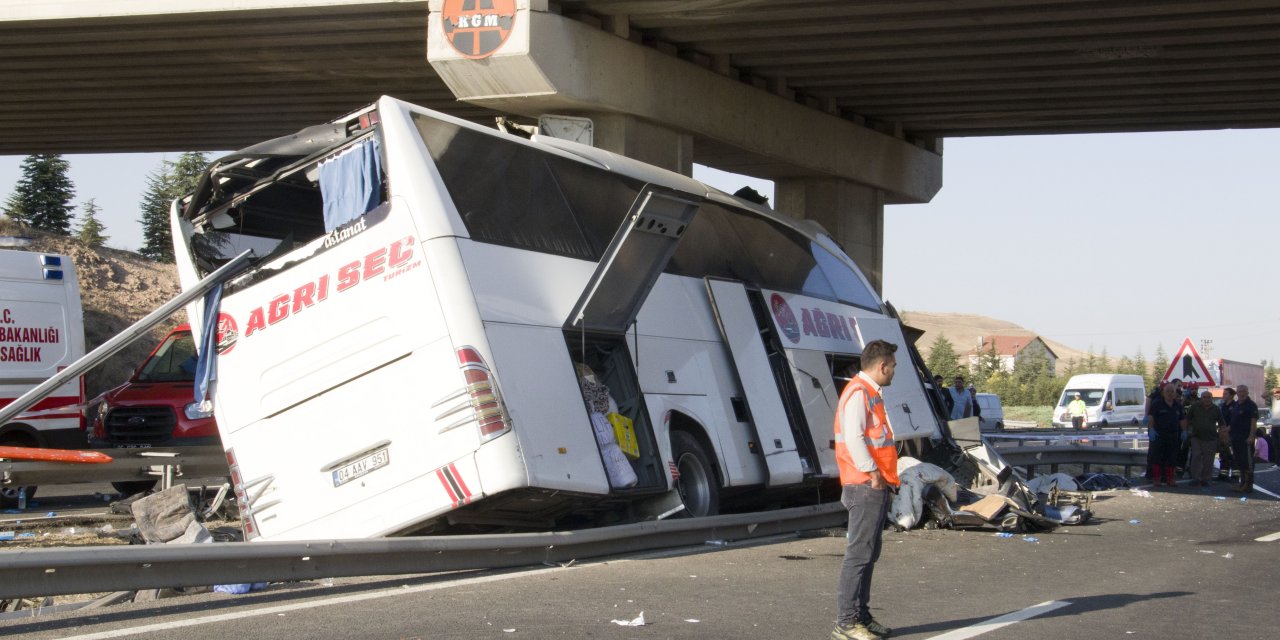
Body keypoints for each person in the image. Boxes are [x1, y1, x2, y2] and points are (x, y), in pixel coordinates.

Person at [831, 339, 899, 640]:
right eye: (893, 366)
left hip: (874, 483)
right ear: (881, 366)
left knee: (868, 553)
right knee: (859, 555)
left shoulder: (870, 392)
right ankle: (846, 623)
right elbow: (855, 437)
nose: (894, 370)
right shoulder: (860, 392)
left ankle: (861, 616)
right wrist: (872, 472)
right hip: (864, 483)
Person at [1147, 382, 1186, 487]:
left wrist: (1184, 431)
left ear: (1174, 393)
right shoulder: (1157, 404)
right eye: (1167, 391)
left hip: (1173, 436)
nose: (1169, 393)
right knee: (1157, 458)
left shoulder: (1178, 406)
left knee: (1172, 458)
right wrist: (1151, 429)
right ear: (1163, 393)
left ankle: (1170, 479)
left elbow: (1182, 420)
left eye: (1172, 391)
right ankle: (1157, 479)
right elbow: (1151, 418)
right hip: (1159, 435)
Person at [1184, 390, 1225, 486]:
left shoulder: (1216, 409)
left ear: (1212, 398)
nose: (1206, 399)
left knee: (1209, 459)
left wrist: (1222, 435)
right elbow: (1187, 419)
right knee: (1196, 457)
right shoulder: (1195, 407)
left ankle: (1206, 479)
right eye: (1204, 397)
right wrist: (1185, 431)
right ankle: (1195, 478)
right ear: (1201, 398)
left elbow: (1221, 423)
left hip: (1211, 438)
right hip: (1196, 437)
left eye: (1208, 397)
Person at [1228, 385, 1259, 492]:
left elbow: (1253, 422)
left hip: (1246, 438)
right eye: (1239, 391)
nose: (1241, 393)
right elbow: (1233, 421)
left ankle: (1248, 484)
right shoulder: (1236, 405)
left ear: (1247, 392)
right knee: (1239, 461)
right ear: (1237, 393)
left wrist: (1251, 436)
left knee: (1247, 462)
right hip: (1236, 437)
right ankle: (1242, 483)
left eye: (1244, 391)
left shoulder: (1251, 405)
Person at [1217, 388, 1238, 481]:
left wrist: (1228, 429)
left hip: (1232, 434)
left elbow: (1235, 421)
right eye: (1223, 394)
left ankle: (1235, 475)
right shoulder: (1222, 406)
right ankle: (1223, 475)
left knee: (1233, 455)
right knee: (1223, 454)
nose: (1223, 395)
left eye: (1225, 394)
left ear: (1231, 395)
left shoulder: (1235, 406)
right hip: (1222, 433)